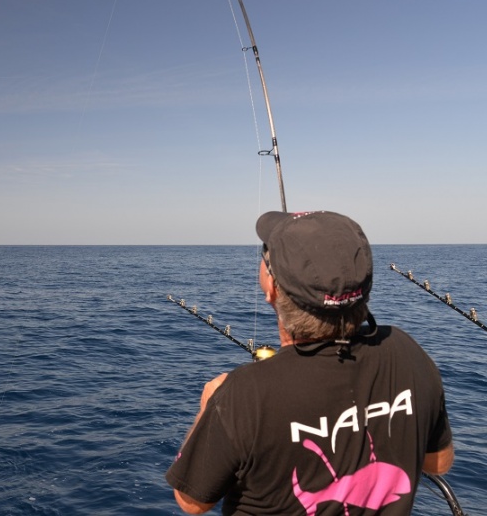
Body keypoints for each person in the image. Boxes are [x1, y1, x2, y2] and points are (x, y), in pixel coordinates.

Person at [165, 210, 454, 514]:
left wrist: (209, 407)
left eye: (266, 257)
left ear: (271, 288)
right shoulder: (406, 352)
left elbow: (192, 501)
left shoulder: (242, 395)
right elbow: (438, 463)